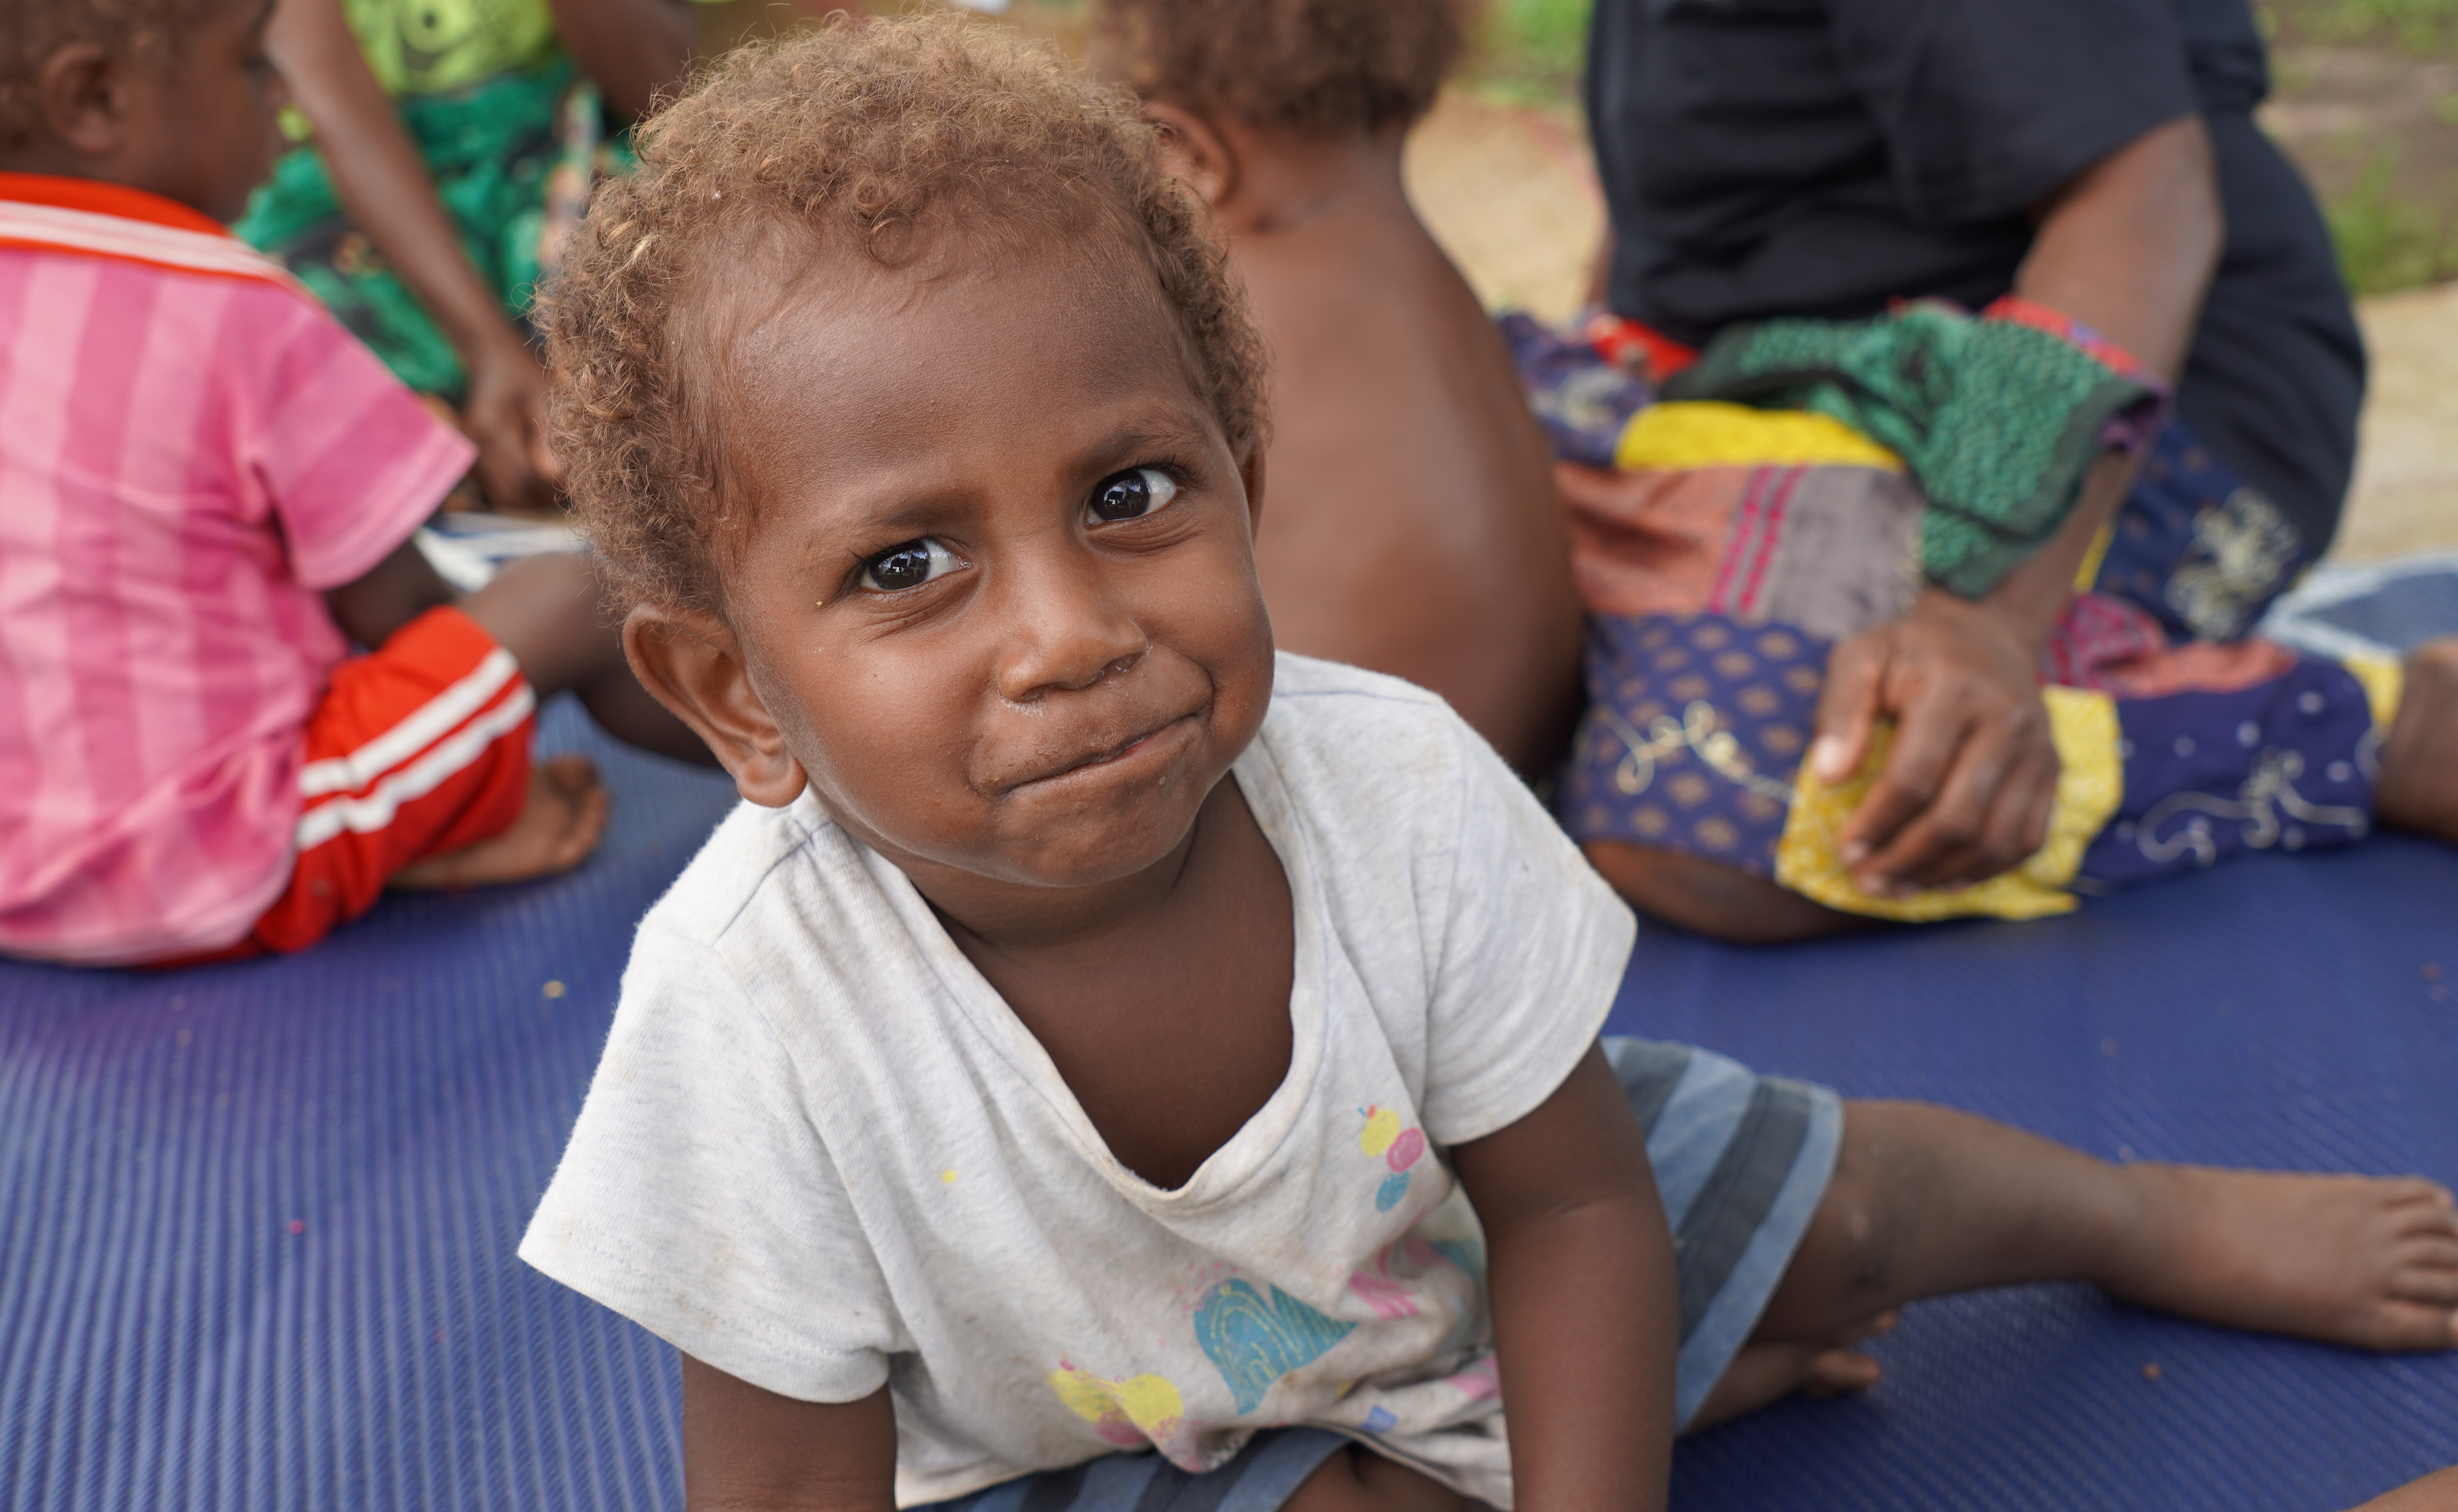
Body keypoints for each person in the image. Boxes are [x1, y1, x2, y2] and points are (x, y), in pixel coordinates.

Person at [516, 20, 2458, 1512]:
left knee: (1821, 1187)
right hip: (1111, 1442)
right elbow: (780, 1489)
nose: (1068, 628)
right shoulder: (746, 1014)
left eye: (1130, 493)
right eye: (904, 566)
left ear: (1245, 490)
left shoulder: (1395, 792)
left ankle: (2138, 1217)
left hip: (1448, 1261)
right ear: (734, 696)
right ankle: (1667, 1378)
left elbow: (1577, 1211)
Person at [1517, 0, 2458, 939]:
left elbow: (2143, 200)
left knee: (1734, 791)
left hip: (2129, 399)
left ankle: (2371, 731)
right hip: (1782, 383)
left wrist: (1981, 615)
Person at [0, 0, 704, 965]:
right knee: (571, 594)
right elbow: (402, 611)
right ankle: (807, 773)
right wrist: (474, 780)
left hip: (18, 868)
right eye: (253, 65)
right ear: (95, 98)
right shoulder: (233, 310)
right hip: (217, 864)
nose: (287, 107)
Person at [1085, 0, 1580, 776]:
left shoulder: (1226, 302)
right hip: (1519, 753)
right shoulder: (1430, 278)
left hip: (1355, 790)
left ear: (1186, 155)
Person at [233, 0, 693, 512]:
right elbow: (334, 101)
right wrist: (489, 350)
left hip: (550, 138)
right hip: (352, 191)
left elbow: (663, 97)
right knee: (335, 391)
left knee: (665, 298)